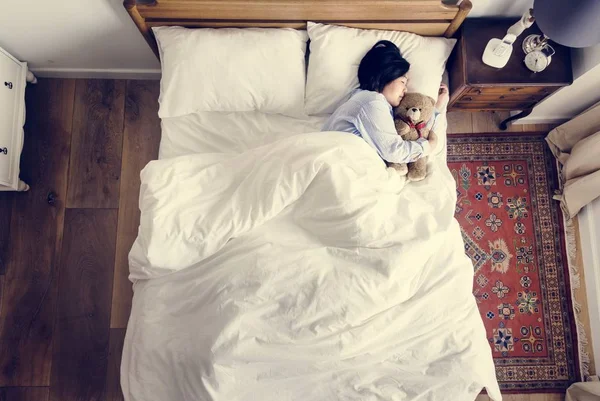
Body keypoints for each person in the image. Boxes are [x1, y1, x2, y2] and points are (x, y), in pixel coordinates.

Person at [322, 40, 449, 165]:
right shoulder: (371, 102)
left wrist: (436, 109)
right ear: (387, 75)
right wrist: (429, 146)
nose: (406, 90)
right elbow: (395, 152)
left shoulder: (367, 101)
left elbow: (417, 127)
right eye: (403, 82)